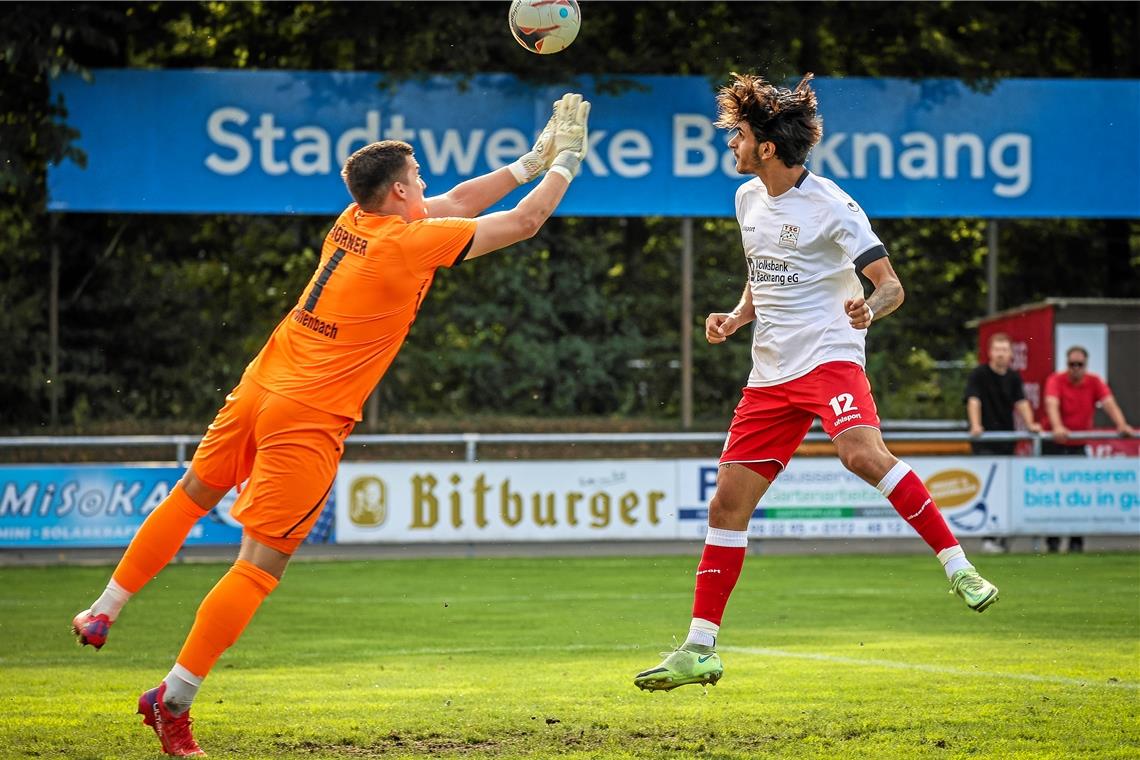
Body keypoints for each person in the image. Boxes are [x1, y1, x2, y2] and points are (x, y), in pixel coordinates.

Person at [71, 94, 592, 756]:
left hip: (263, 380)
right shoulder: (406, 244)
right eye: (420, 181)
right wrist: (568, 161)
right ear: (401, 192)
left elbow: (460, 201)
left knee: (191, 496)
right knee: (259, 567)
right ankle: (171, 702)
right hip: (308, 414)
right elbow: (525, 222)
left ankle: (102, 610)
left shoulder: (355, 219)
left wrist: (529, 159)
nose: (428, 188)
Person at [633, 73, 999, 693]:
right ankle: (700, 648)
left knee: (861, 454)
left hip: (829, 356)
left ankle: (958, 565)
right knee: (726, 505)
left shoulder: (832, 204)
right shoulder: (749, 199)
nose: (732, 144)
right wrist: (739, 314)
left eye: (739, 135)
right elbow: (766, 271)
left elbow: (890, 286)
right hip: (769, 373)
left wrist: (870, 309)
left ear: (768, 147)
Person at [1041, 345, 1135, 553]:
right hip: (1055, 445)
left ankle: (1076, 541)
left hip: (1078, 445)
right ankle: (1052, 541)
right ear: (1066, 365)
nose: (1075, 368)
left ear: (1086, 365)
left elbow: (1109, 403)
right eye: (1071, 364)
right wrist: (1057, 426)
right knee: (1052, 494)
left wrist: (1121, 424)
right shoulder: (1055, 380)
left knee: (1078, 493)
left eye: (1079, 364)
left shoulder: (1094, 381)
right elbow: (1051, 404)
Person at [964, 332, 1041, 552]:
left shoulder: (1014, 377)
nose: (1001, 354)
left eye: (1004, 350)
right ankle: (989, 536)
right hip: (985, 443)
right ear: (990, 353)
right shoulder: (979, 374)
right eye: (997, 350)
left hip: (1007, 442)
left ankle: (1002, 536)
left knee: (1006, 490)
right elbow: (973, 399)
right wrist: (976, 425)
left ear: (1010, 354)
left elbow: (1022, 402)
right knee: (988, 490)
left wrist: (1031, 424)